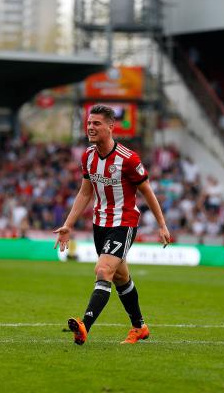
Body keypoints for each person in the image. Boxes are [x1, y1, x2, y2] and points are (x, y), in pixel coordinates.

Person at [54, 104, 171, 345]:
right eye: (89, 123)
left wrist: (161, 224)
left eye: (96, 123)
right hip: (100, 224)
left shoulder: (128, 159)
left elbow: (147, 191)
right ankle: (139, 327)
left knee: (103, 270)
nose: (90, 127)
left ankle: (84, 325)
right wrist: (68, 224)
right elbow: (85, 193)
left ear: (110, 126)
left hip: (124, 222)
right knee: (120, 277)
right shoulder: (87, 156)